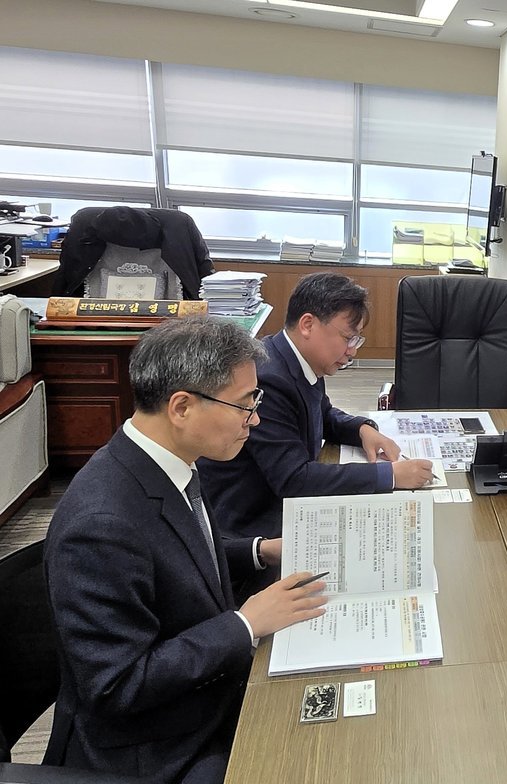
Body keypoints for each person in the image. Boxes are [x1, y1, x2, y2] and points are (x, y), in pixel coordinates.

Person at [43, 317, 328, 784]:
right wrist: (245, 624)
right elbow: (117, 685)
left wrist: (261, 551)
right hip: (160, 748)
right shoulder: (100, 526)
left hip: (205, 691)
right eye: (245, 404)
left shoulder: (166, 461)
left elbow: (178, 553)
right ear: (181, 406)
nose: (255, 419)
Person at [200, 272, 432, 596]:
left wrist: (361, 429)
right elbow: (294, 479)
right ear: (308, 324)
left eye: (356, 340)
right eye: (348, 337)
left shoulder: (298, 359)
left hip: (280, 511)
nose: (352, 351)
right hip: (253, 533)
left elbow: (322, 411)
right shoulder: (269, 378)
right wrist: (389, 475)